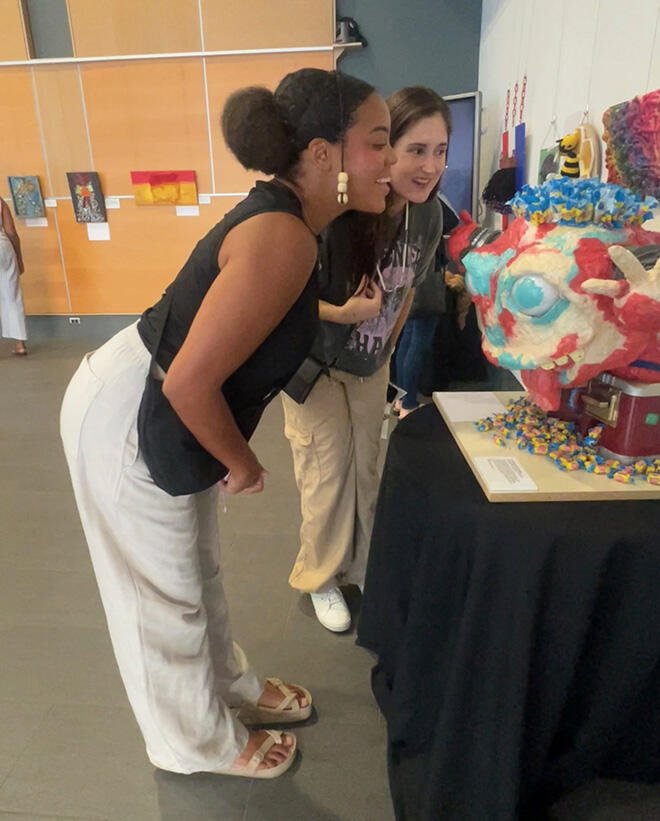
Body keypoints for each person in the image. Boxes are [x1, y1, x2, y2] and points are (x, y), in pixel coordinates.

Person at [60, 68, 396, 778]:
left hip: (161, 399)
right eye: (378, 143)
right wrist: (241, 464)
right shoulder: (283, 234)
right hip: (137, 408)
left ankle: (230, 690)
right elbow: (189, 380)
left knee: (197, 571)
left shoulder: (291, 222)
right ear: (323, 154)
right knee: (163, 595)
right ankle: (192, 740)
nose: (391, 163)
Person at [281, 86, 450, 632]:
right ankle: (320, 578)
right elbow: (280, 295)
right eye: (416, 149)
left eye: (441, 150)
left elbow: (406, 294)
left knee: (365, 473)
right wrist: (343, 313)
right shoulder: (339, 211)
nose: (430, 166)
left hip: (369, 366)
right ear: (385, 152)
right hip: (318, 366)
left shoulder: (428, 218)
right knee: (325, 475)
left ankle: (355, 567)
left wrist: (386, 351)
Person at [0, 196, 28, 356]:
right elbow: (11, 232)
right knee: (12, 296)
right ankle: (20, 344)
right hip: (3, 246)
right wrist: (19, 257)